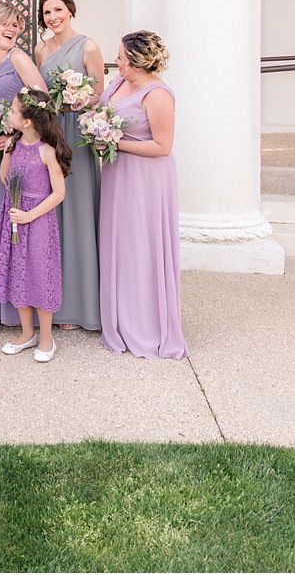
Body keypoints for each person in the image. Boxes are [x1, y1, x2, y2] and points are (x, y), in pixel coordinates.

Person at [98, 31, 188, 360]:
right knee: (118, 243)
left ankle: (147, 324)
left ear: (136, 60)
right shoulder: (118, 83)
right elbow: (99, 110)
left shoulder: (158, 93)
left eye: (121, 55)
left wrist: (113, 142)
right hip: (116, 175)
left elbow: (163, 147)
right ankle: (119, 317)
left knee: (141, 245)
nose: (117, 60)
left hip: (146, 178)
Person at [0, 0, 48, 325]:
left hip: (20, 151)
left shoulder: (19, 58)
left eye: (17, 24)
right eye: (7, 23)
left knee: (20, 223)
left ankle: (23, 306)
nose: (13, 29)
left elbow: (41, 101)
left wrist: (14, 137)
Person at [35, 0, 107, 331]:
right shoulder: (40, 48)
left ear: (70, 10)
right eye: (47, 12)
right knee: (54, 213)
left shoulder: (88, 46)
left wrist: (79, 99)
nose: (54, 17)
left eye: (58, 10)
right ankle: (54, 300)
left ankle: (81, 304)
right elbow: (39, 93)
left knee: (76, 212)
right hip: (51, 131)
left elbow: (98, 93)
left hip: (76, 133)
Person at [0, 89, 71, 362]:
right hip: (14, 215)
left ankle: (47, 337)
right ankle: (27, 333)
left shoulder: (47, 152)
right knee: (18, 273)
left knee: (40, 274)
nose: (9, 115)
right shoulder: (14, 144)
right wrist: (7, 154)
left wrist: (30, 215)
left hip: (37, 222)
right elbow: (5, 178)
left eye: (13, 111)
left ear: (27, 121)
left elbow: (58, 193)